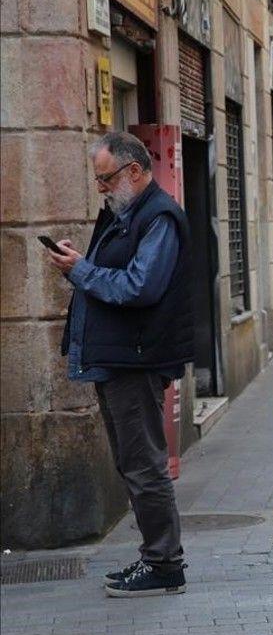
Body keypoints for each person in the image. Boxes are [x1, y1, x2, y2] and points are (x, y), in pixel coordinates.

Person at [44, 131, 192, 597]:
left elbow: (138, 286)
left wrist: (81, 270)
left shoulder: (159, 216)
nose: (101, 188)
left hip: (137, 360)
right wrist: (82, 263)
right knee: (132, 464)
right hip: (117, 359)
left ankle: (165, 564)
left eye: (106, 178)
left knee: (145, 465)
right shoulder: (123, 215)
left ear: (134, 170)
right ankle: (154, 556)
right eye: (98, 180)